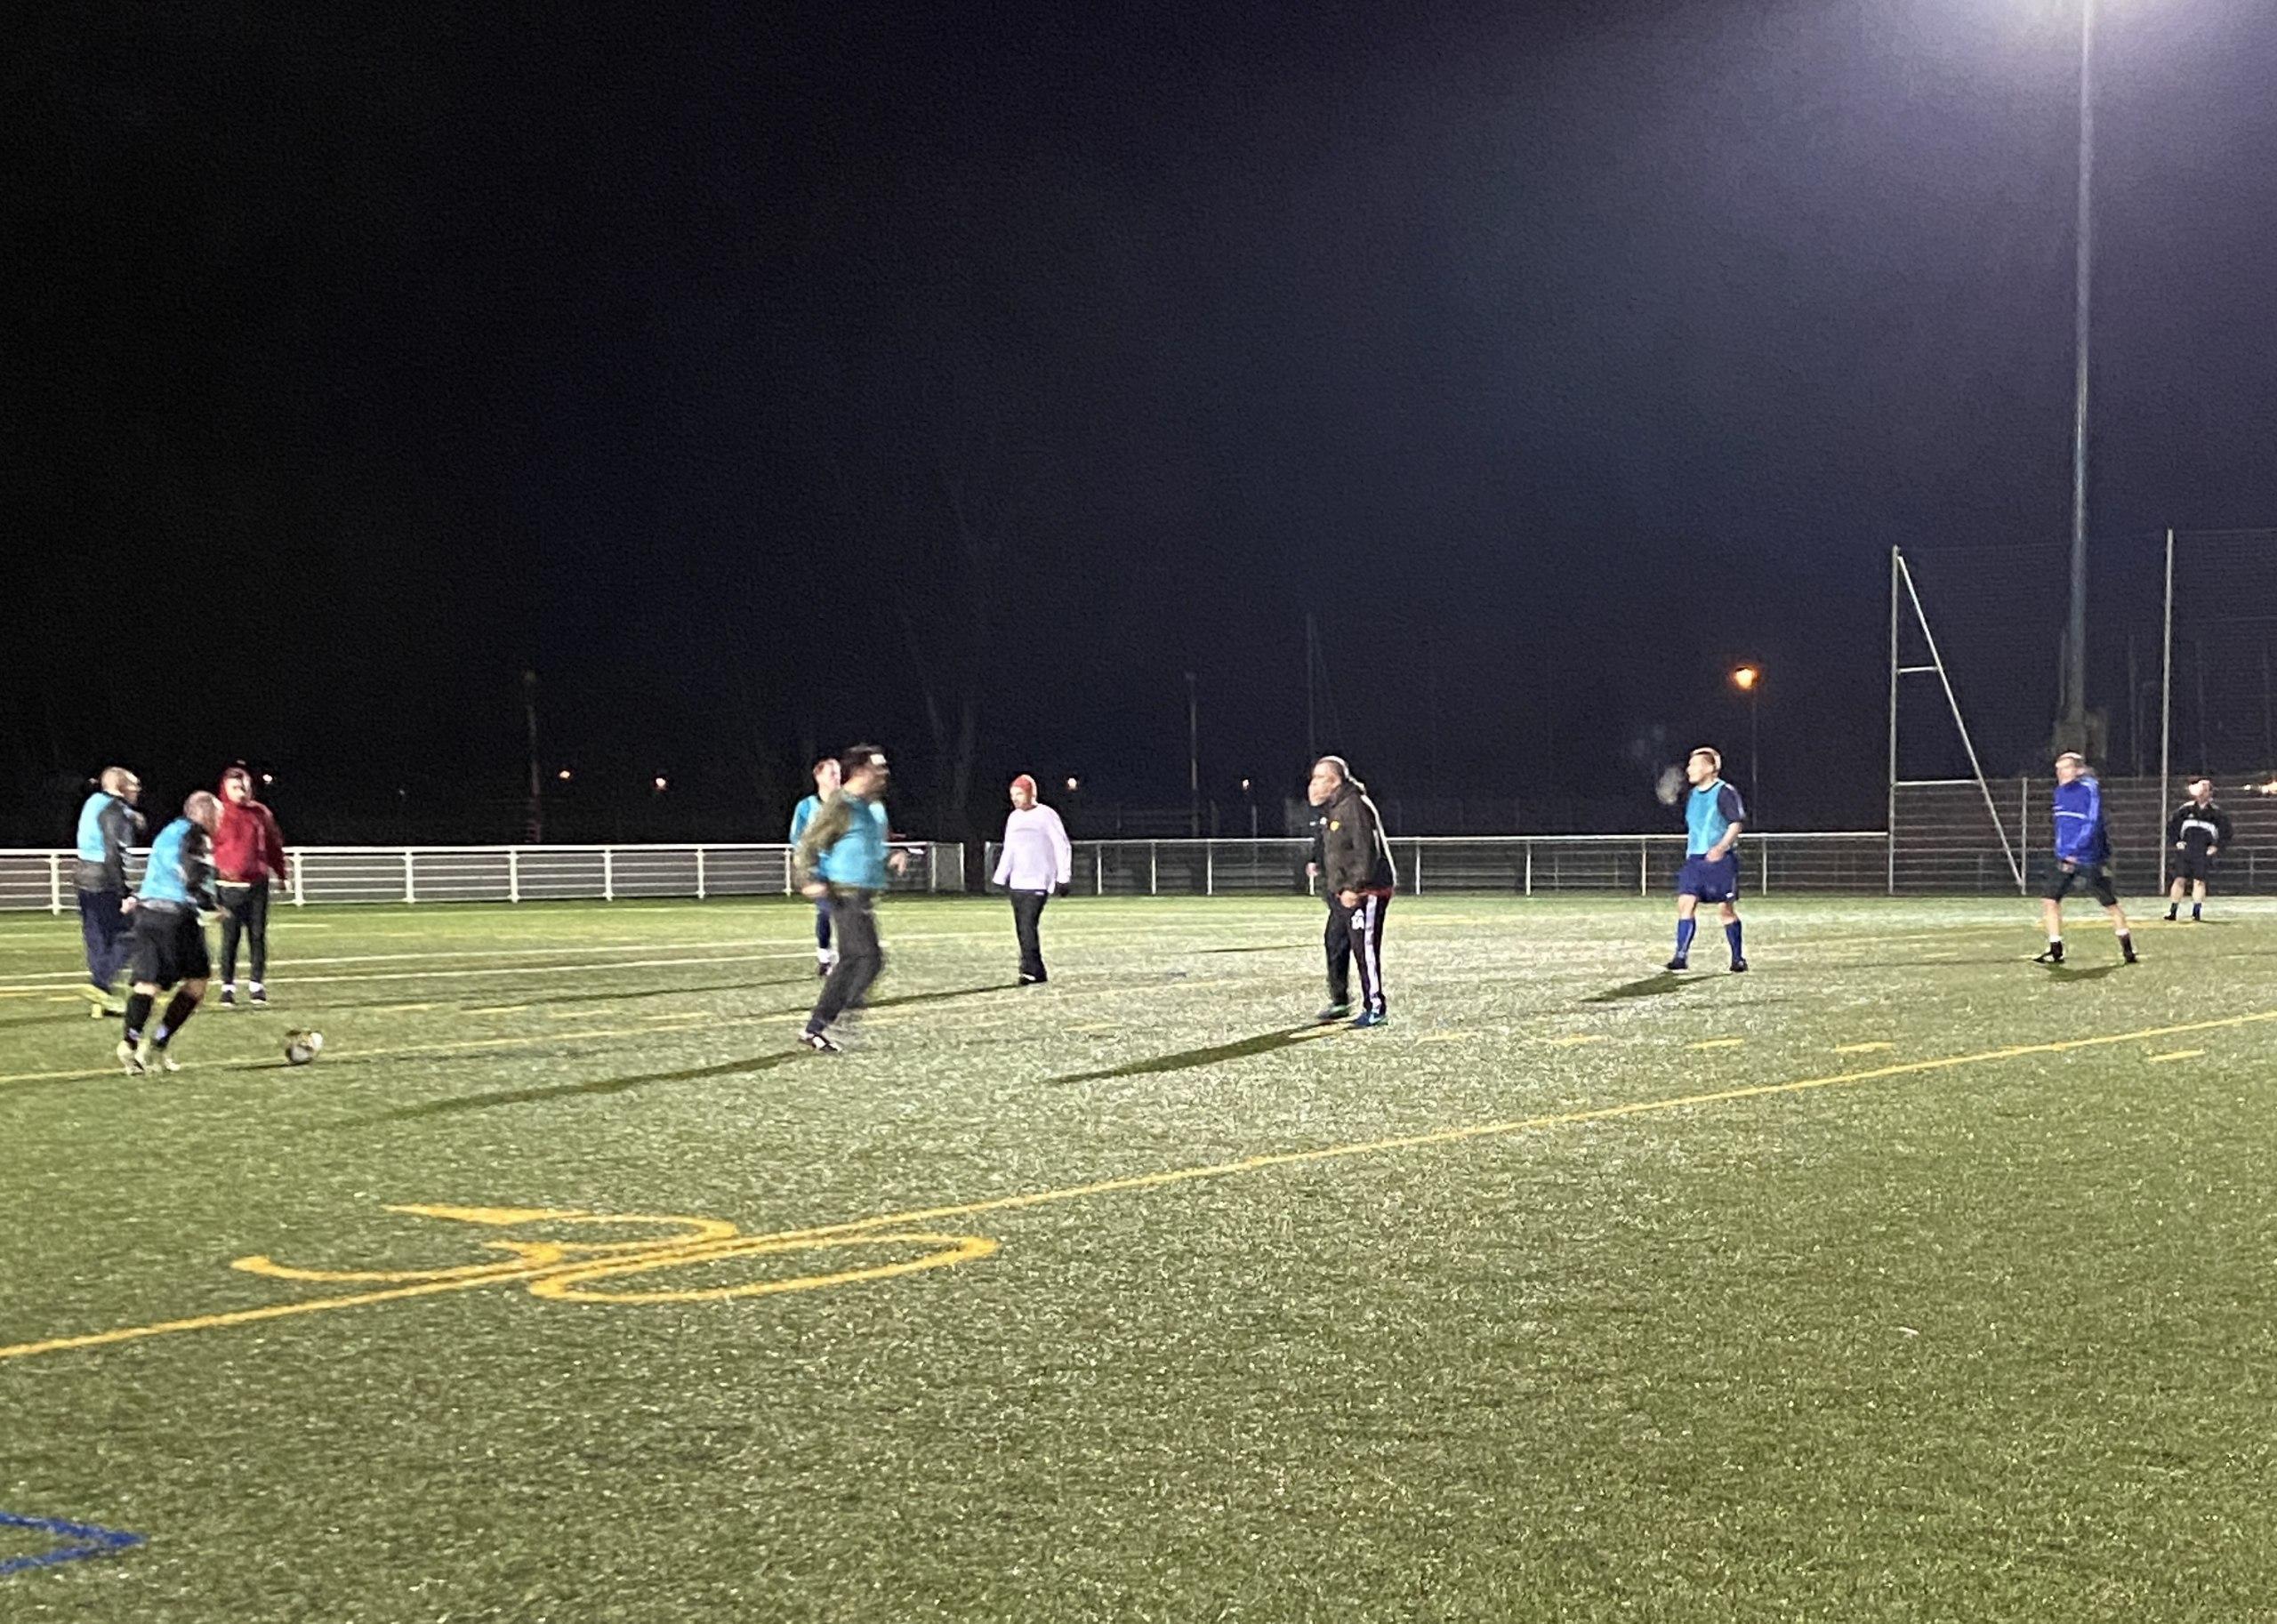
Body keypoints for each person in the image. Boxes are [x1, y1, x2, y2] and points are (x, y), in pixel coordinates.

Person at [793, 745, 906, 1052]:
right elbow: (808, 844)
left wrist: (890, 857)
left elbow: (865, 849)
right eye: (877, 768)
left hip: (861, 895)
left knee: (854, 961)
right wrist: (808, 879)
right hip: (845, 893)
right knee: (867, 959)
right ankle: (837, 1021)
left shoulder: (867, 808)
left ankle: (818, 1027)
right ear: (859, 771)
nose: (883, 774)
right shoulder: (840, 805)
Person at [118, 791, 223, 1075]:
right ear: (205, 814)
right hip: (176, 916)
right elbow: (194, 874)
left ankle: (129, 1043)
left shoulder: (168, 831)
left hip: (147, 912)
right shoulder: (196, 835)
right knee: (197, 981)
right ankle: (159, 1042)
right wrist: (210, 906)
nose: (219, 823)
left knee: (147, 984)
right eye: (218, 816)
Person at [1307, 755, 1396, 1028]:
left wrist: (1355, 888)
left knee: (1364, 948)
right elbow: (1329, 842)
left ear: (1334, 781)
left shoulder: (1354, 805)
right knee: (1335, 942)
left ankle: (1375, 1007)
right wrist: (1317, 862)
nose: (1313, 784)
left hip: (1366, 891)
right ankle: (1340, 1000)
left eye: (1319, 778)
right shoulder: (1333, 808)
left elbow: (1367, 850)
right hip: (1342, 893)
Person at [2039, 752, 2136, 966]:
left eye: (2066, 768)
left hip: (2088, 858)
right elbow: (2062, 827)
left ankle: (2128, 950)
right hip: (2065, 857)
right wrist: (2062, 850)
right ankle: (2056, 949)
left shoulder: (2088, 789)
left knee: (2110, 904)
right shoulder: (2059, 792)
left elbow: (2092, 823)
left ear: (2079, 770)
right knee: (2050, 900)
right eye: (2058, 769)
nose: (2061, 773)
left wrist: (2075, 849)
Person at [213, 764, 289, 1008]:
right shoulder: (217, 813)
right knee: (230, 938)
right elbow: (205, 849)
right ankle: (227, 987)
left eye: (245, 787)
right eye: (235, 788)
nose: (241, 792)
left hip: (257, 884)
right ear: (225, 789)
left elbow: (274, 844)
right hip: (227, 886)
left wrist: (281, 873)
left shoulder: (260, 813)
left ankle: (257, 985)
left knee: (257, 936)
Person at [1667, 747, 1748, 973]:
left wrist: (1721, 847)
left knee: (1725, 910)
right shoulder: (1692, 795)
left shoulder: (1725, 792)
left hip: (1720, 860)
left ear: (1711, 768)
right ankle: (1680, 956)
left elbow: (1735, 823)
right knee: (1686, 903)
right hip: (1695, 860)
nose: (1689, 769)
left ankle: (1738, 958)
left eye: (1694, 765)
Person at [73, 766, 145, 1017]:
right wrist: (124, 892)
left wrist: (132, 817)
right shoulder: (114, 810)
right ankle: (99, 984)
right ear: (121, 787)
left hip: (84, 877)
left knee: (99, 942)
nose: (137, 789)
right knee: (135, 934)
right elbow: (112, 853)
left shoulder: (94, 802)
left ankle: (100, 1004)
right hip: (103, 880)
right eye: (133, 784)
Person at [992, 774, 1073, 984]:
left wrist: (1063, 877)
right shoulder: (1014, 818)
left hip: (1039, 881)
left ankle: (1031, 970)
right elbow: (1009, 849)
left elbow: (1061, 845)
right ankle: (1035, 969)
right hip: (1017, 882)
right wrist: (1000, 877)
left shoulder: (1047, 815)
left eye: (1019, 794)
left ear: (1030, 794)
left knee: (1028, 925)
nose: (1015, 798)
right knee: (1022, 928)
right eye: (1012, 794)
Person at [788, 756, 842, 977]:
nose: (837, 777)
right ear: (818, 777)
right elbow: (796, 837)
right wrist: (806, 862)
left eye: (838, 773)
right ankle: (825, 957)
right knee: (825, 911)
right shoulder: (806, 806)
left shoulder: (846, 805)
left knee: (849, 914)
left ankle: (846, 958)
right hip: (819, 870)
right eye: (832, 773)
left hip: (845, 869)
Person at [2164, 777, 2233, 922]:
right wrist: (2177, 842)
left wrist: (2216, 847)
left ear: (2210, 793)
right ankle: (2173, 911)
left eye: (2205, 790)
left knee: (2199, 881)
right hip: (2186, 851)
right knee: (2179, 879)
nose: (2202, 793)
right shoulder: (2185, 810)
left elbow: (2227, 833)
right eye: (2200, 790)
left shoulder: (2217, 814)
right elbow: (2171, 827)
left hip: (2202, 852)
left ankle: (2196, 912)